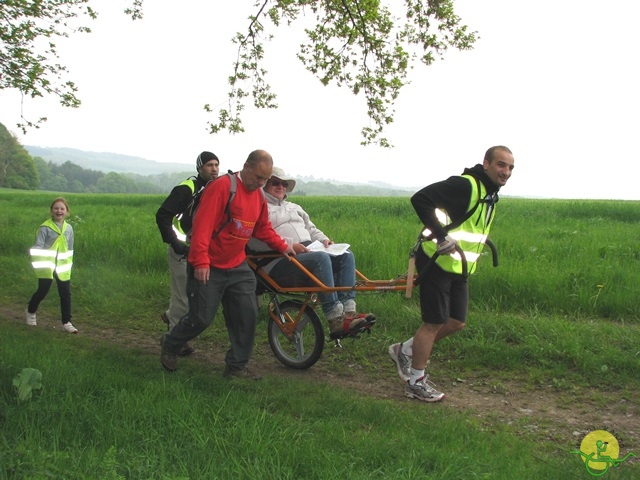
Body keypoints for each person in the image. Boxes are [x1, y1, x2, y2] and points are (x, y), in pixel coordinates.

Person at [389, 146, 515, 402]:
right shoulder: (465, 185)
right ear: (486, 163)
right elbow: (420, 199)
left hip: (460, 266)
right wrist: (442, 236)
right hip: (436, 260)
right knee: (433, 322)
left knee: (456, 321)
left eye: (511, 167)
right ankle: (416, 382)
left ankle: (405, 349)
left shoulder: (491, 194)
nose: (506, 172)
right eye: (501, 165)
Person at [160, 150, 296, 378]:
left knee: (247, 314)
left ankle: (236, 367)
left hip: (237, 265)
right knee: (201, 318)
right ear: (246, 167)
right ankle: (171, 343)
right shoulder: (223, 187)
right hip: (209, 263)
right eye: (259, 178)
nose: (262, 183)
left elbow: (262, 228)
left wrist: (282, 246)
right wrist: (201, 261)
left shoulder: (258, 196)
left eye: (265, 179)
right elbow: (202, 226)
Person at [248, 167, 374, 337]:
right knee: (320, 258)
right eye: (275, 183)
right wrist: (290, 245)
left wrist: (324, 240)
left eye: (284, 184)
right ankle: (335, 318)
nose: (280, 187)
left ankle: (349, 313)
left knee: (346, 255)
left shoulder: (294, 207)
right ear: (265, 185)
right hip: (278, 260)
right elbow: (257, 238)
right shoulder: (259, 207)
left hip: (308, 252)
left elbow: (312, 229)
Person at [155, 151, 220, 356]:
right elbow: (163, 215)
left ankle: (170, 315)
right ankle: (174, 342)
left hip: (203, 252)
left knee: (197, 296)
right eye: (209, 165)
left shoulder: (217, 189)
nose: (214, 169)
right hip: (183, 251)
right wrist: (175, 243)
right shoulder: (187, 189)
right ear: (199, 167)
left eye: (217, 164)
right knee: (182, 296)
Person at [26, 197, 78, 333]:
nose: (59, 211)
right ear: (51, 211)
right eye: (56, 208)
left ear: (67, 211)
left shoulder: (69, 228)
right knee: (42, 291)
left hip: (62, 267)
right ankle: (31, 311)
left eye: (62, 208)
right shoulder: (45, 228)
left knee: (65, 294)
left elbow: (70, 248)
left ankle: (67, 322)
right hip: (47, 266)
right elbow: (38, 246)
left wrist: (69, 264)